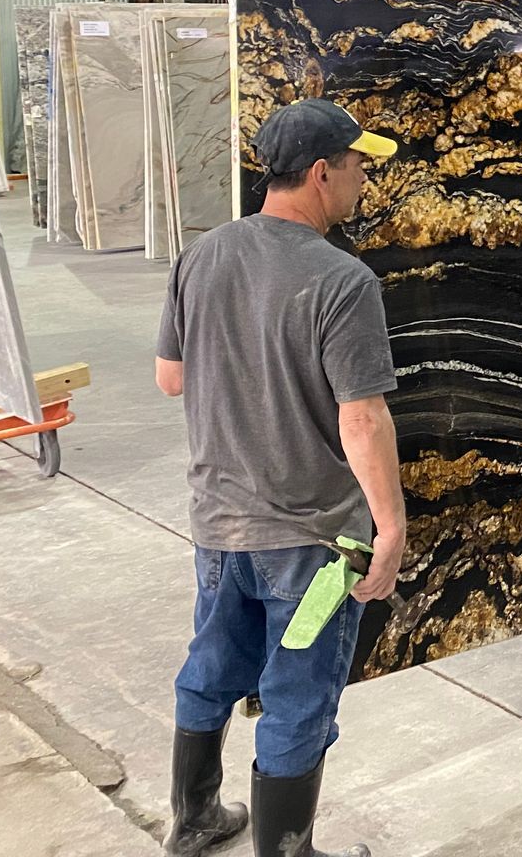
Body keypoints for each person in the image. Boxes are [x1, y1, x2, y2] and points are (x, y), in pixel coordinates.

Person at [156, 99, 404, 857]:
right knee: (299, 696)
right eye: (359, 166)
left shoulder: (202, 254)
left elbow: (171, 378)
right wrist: (390, 529)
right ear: (322, 172)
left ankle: (194, 819)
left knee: (211, 667)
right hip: (312, 543)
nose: (364, 181)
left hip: (219, 525)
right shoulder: (342, 280)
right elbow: (360, 421)